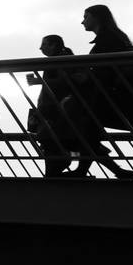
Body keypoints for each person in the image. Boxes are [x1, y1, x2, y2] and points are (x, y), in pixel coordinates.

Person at [65, 4, 133, 179]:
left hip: (120, 96)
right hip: (119, 95)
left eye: (86, 16)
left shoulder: (108, 39)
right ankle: (83, 170)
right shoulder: (113, 37)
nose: (82, 21)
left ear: (97, 18)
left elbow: (109, 70)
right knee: (91, 128)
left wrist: (88, 77)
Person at [27, 34, 102, 176]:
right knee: (78, 142)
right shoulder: (63, 59)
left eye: (44, 44)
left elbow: (66, 82)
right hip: (62, 111)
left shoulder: (61, 60)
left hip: (60, 112)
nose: (40, 48)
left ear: (53, 45)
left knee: (55, 142)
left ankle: (59, 173)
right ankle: (116, 170)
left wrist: (40, 82)